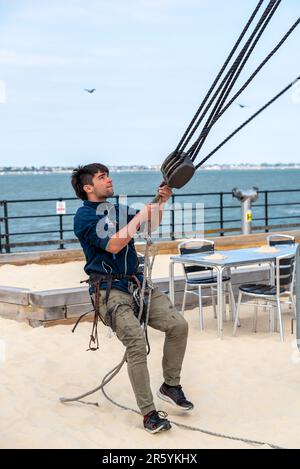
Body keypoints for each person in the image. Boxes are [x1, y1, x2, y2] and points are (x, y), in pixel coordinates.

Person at [71, 163, 193, 434]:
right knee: (136, 344)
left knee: (178, 326)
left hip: (137, 284)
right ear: (88, 187)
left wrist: (160, 202)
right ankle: (149, 414)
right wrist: (139, 218)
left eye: (108, 175)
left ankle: (170, 386)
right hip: (109, 292)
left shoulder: (116, 210)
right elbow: (114, 243)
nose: (109, 180)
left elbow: (150, 223)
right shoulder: (84, 217)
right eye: (102, 177)